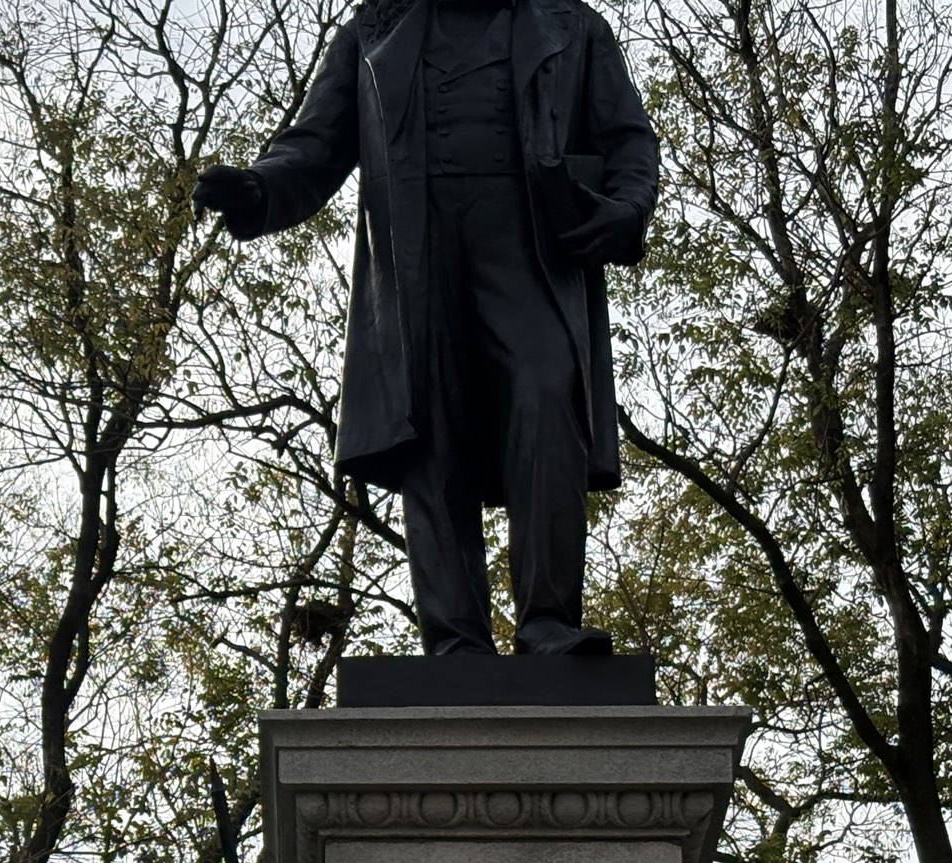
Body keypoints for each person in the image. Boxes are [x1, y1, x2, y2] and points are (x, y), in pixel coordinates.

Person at [191, 0, 658, 657]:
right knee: (429, 421)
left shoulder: (573, 26)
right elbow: (314, 147)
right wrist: (258, 189)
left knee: (547, 390)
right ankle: (454, 640)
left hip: (530, 246)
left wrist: (630, 205)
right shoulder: (372, 33)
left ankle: (548, 621)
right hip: (417, 250)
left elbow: (628, 138)